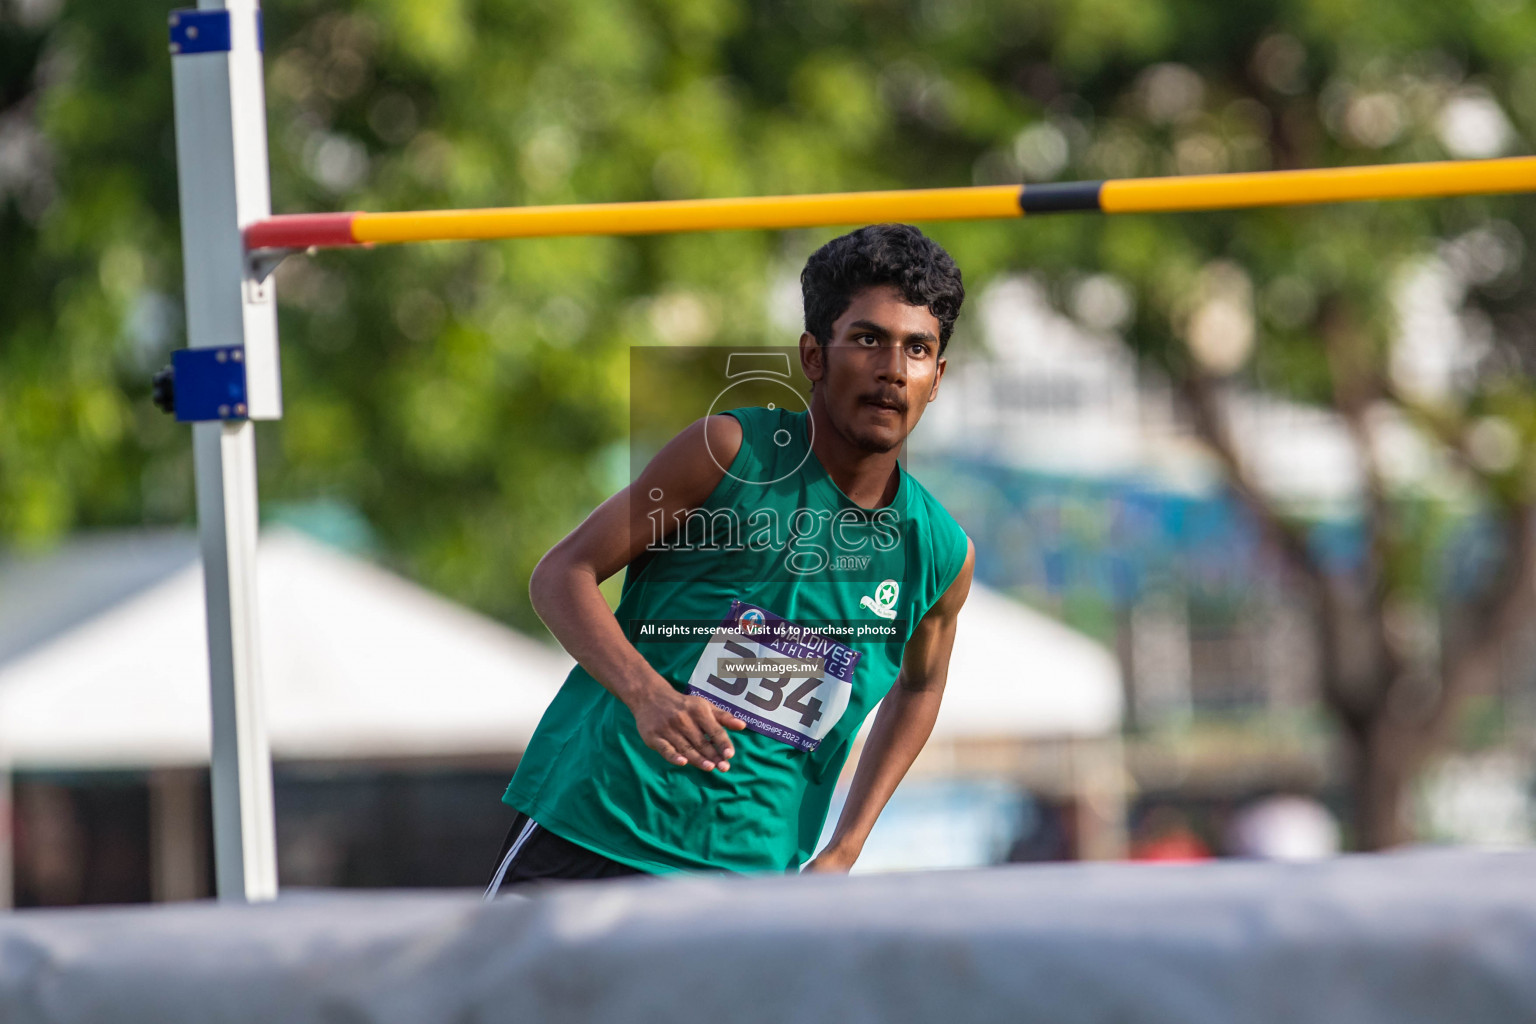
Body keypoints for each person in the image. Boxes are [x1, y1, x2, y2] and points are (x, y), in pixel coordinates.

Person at [485, 223, 975, 894]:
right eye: (867, 339)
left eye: (918, 349)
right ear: (815, 356)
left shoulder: (940, 552)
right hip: (594, 831)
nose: (893, 369)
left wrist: (846, 847)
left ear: (937, 376)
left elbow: (920, 687)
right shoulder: (726, 451)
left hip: (750, 880)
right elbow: (561, 574)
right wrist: (647, 695)